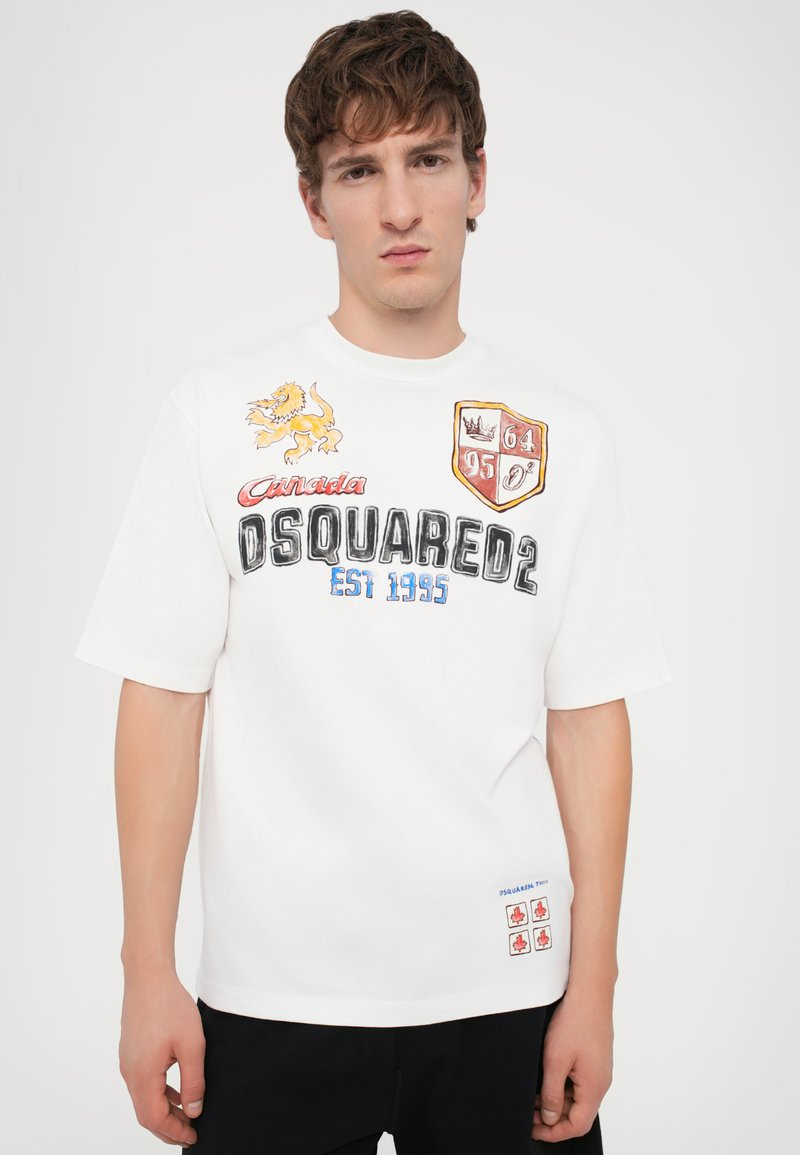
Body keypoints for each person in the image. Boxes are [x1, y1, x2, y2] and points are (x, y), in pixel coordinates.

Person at [74, 10, 671, 1153]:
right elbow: (162, 698)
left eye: (426, 160)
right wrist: (147, 971)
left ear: (476, 180)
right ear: (314, 203)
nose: (398, 207)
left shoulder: (560, 437)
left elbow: (587, 719)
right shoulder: (221, 416)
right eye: (359, 170)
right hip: (276, 994)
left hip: (505, 991)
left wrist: (591, 984)